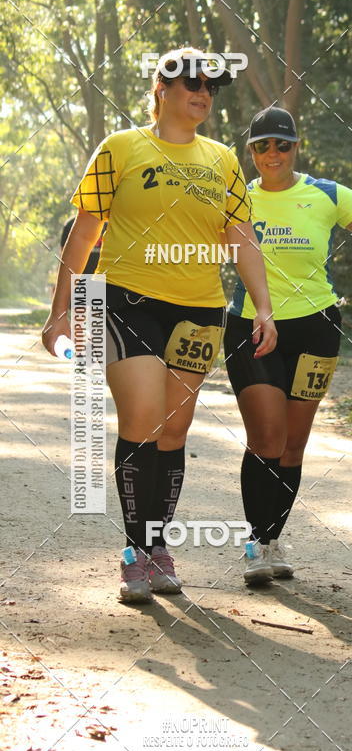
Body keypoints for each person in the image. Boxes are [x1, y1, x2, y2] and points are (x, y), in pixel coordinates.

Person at [42, 47, 276, 603]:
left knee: (173, 431)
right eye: (191, 81)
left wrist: (262, 306)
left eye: (211, 87)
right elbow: (84, 233)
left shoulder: (222, 159)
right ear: (162, 88)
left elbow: (241, 240)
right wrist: (60, 311)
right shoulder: (120, 148)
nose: (203, 92)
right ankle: (134, 552)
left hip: (199, 311)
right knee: (143, 419)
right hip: (126, 300)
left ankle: (156, 547)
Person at [224, 106, 352, 585]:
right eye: (262, 146)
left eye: (282, 144)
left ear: (296, 147)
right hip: (251, 325)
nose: (272, 153)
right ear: (250, 152)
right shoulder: (237, 198)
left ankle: (273, 539)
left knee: (294, 444)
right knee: (267, 437)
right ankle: (255, 544)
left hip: (316, 326)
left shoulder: (325, 193)